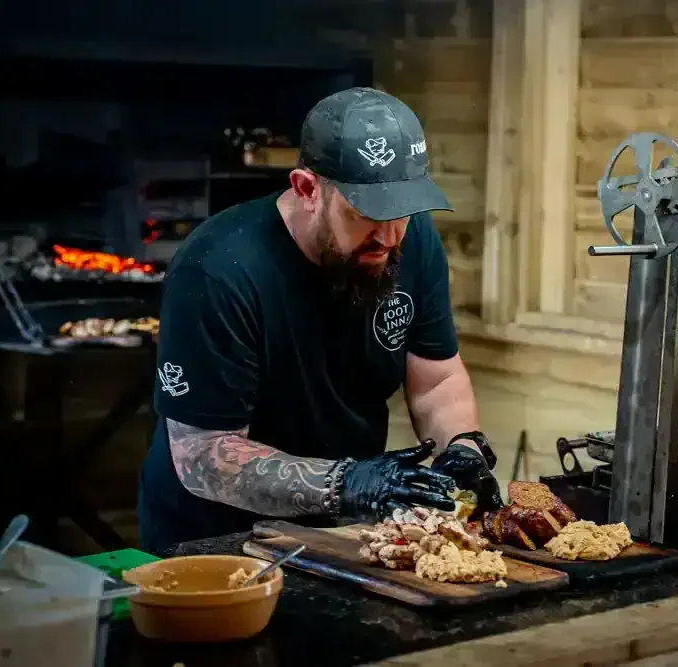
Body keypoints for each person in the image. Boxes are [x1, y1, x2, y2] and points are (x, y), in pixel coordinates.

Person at [137, 87, 503, 553]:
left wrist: (462, 451)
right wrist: (348, 483)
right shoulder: (218, 268)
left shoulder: (411, 240)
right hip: (214, 540)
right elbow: (203, 457)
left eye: (403, 213)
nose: (389, 237)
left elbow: (437, 381)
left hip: (341, 530)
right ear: (307, 189)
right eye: (366, 214)